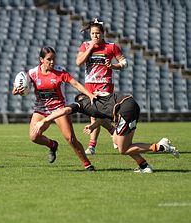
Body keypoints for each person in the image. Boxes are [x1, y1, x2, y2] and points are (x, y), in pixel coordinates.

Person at [32, 93, 179, 173]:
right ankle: (144, 166)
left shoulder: (81, 104)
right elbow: (102, 120)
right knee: (118, 140)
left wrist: (45, 121)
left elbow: (63, 110)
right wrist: (92, 126)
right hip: (131, 104)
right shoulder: (97, 98)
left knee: (123, 149)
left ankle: (161, 147)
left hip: (125, 110)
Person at [13, 46, 97, 171]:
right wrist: (17, 90)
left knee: (70, 139)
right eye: (49, 59)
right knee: (34, 137)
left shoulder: (60, 72)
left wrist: (90, 95)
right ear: (41, 60)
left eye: (54, 59)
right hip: (41, 109)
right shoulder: (33, 73)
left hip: (59, 109)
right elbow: (20, 85)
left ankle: (87, 164)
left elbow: (75, 84)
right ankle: (53, 145)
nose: (52, 62)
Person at [76, 18, 128, 155]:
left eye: (97, 33)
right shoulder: (85, 45)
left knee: (99, 115)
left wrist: (113, 66)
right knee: (95, 115)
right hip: (89, 85)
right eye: (93, 34)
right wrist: (91, 48)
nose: (95, 36)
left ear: (103, 33)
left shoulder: (111, 46)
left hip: (105, 84)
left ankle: (92, 146)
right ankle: (111, 132)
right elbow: (78, 62)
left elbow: (124, 63)